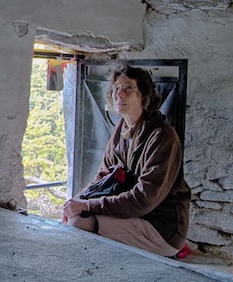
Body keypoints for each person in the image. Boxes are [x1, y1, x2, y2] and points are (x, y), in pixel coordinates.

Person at [61, 65, 191, 257]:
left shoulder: (163, 137)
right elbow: (103, 177)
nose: (120, 94)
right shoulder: (122, 129)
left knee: (80, 223)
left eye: (129, 87)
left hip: (161, 229)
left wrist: (88, 206)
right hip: (134, 217)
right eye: (116, 89)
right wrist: (77, 201)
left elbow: (143, 199)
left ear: (144, 97)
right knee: (74, 214)